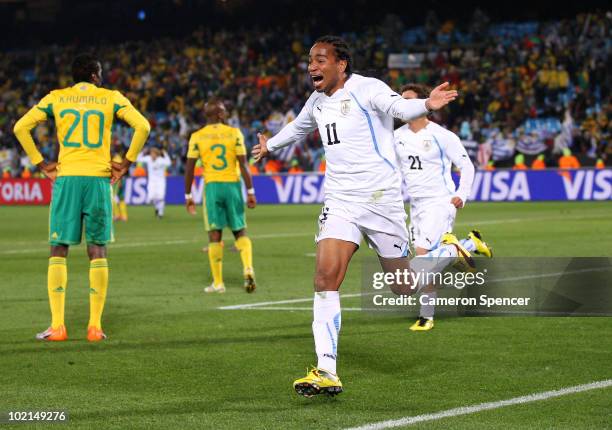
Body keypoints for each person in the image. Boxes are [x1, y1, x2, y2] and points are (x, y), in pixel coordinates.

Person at [253, 35, 472, 397]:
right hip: (340, 200)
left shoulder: (368, 88)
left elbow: (400, 110)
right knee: (325, 277)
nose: (312, 66)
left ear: (341, 63)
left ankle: (451, 250)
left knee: (403, 286)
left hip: (382, 201)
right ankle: (326, 369)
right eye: (310, 60)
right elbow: (300, 127)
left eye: (321, 59)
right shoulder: (317, 100)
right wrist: (270, 145)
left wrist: (426, 105)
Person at [13, 53, 150, 342]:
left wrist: (40, 163)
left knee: (58, 249)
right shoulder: (111, 97)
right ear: (95, 76)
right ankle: (95, 327)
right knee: (97, 250)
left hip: (68, 178)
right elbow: (143, 127)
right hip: (99, 179)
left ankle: (58, 326)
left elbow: (20, 127)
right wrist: (126, 163)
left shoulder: (56, 97)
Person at [394, 83, 492, 332]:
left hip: (440, 201)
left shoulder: (442, 135)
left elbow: (467, 166)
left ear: (423, 104)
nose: (404, 105)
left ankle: (426, 316)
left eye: (409, 100)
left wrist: (462, 194)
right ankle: (468, 244)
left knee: (423, 258)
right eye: (401, 101)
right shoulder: (396, 137)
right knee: (431, 262)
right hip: (415, 205)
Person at [184, 99, 257, 293]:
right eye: (224, 111)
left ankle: (218, 283)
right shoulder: (234, 133)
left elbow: (189, 169)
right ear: (219, 114)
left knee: (214, 235)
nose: (226, 114)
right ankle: (248, 269)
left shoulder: (197, 136)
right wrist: (250, 191)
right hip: (233, 185)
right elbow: (243, 165)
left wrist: (188, 195)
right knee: (240, 231)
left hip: (213, 187)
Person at [137, 147, 171, 218]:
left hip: (160, 181)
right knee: (151, 198)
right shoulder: (148, 158)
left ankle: (160, 214)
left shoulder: (161, 160)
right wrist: (142, 152)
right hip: (151, 181)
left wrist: (165, 153)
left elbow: (169, 163)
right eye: (151, 153)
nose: (152, 155)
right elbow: (138, 159)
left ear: (157, 154)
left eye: (153, 154)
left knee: (160, 197)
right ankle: (157, 208)